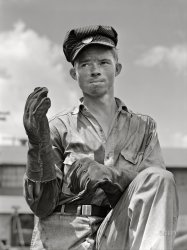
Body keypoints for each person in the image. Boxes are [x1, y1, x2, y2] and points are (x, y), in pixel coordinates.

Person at [23, 25, 178, 250]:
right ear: (73, 73)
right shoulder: (58, 126)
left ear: (118, 68)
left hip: (118, 233)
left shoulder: (143, 127)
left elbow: (152, 196)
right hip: (64, 237)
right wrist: (37, 146)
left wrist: (112, 176)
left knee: (160, 178)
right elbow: (41, 206)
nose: (95, 70)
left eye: (104, 62)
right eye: (85, 64)